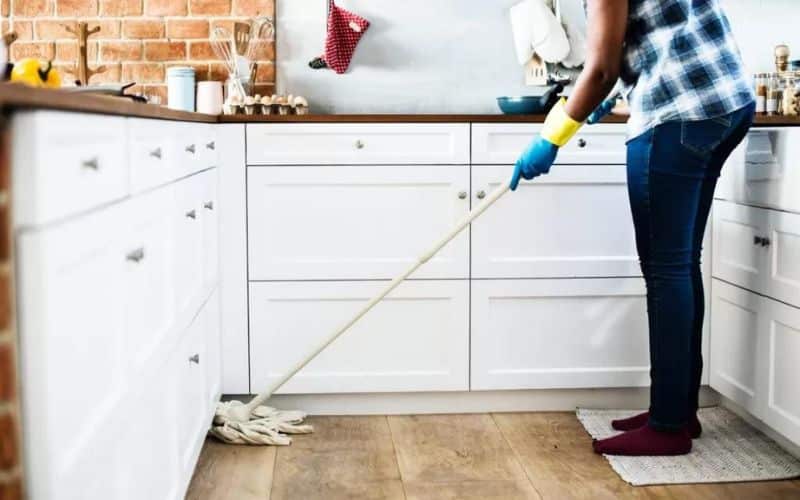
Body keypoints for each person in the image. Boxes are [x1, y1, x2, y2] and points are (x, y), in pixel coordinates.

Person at [511, 0, 755, 456]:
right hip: (725, 104)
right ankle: (677, 410)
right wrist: (606, 96)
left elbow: (601, 67)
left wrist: (551, 138)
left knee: (666, 271)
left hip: (678, 113)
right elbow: (639, 43)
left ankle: (667, 427)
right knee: (681, 266)